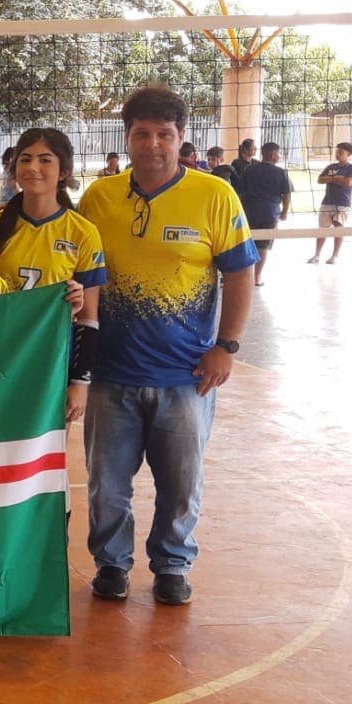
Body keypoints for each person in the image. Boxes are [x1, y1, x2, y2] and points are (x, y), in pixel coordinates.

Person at [79, 85, 258, 607]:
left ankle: (172, 565)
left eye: (164, 134)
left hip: (186, 375)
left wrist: (227, 345)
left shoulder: (214, 195)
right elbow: (79, 272)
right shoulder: (99, 197)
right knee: (106, 486)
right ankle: (111, 565)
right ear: (127, 137)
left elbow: (241, 271)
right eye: (142, 134)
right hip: (111, 372)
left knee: (181, 485)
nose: (152, 144)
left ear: (181, 139)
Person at [0, 128, 106, 423]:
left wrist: (79, 383)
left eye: (45, 160)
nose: (33, 168)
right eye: (26, 159)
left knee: (45, 460)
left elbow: (89, 317)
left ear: (63, 171)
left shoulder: (82, 232)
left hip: (52, 363)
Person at [236, 142, 293, 286]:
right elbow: (286, 194)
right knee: (263, 245)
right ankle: (257, 277)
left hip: (249, 211)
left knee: (247, 242)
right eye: (278, 153)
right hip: (270, 213)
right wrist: (285, 212)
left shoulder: (250, 169)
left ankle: (244, 276)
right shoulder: (281, 172)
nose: (279, 156)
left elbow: (239, 192)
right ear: (272, 155)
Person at [310, 142, 352, 265]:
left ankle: (335, 256)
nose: (337, 154)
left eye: (341, 152)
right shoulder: (331, 166)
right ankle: (316, 255)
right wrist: (337, 178)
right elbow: (320, 179)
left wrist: (332, 178)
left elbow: (348, 182)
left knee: (338, 228)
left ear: (349, 154)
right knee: (322, 230)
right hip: (327, 202)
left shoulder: (351, 168)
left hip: (342, 203)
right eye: (337, 151)